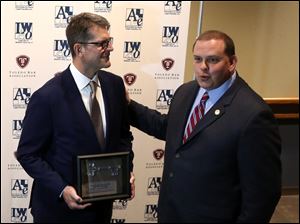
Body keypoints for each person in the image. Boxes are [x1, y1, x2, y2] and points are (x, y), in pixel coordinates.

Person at [127, 30, 281, 223]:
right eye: (198, 59)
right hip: (172, 213)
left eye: (213, 60)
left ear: (232, 63)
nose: (203, 67)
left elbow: (262, 196)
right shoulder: (186, 92)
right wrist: (126, 105)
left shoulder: (254, 115)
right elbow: (169, 129)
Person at [16, 12, 135, 223]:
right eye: (102, 43)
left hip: (101, 210)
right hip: (57, 212)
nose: (111, 48)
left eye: (110, 41)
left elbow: (123, 137)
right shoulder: (47, 97)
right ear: (79, 49)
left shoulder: (115, 86)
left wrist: (127, 171)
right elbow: (28, 154)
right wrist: (62, 189)